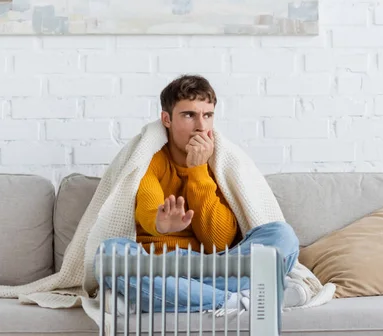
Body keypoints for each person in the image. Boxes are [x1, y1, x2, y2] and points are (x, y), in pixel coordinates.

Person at [96, 74, 299, 314]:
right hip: (158, 265)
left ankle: (155, 296)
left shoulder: (221, 164)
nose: (201, 126)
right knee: (110, 253)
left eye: (208, 115)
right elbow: (148, 206)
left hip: (214, 265)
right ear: (166, 119)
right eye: (189, 115)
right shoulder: (149, 159)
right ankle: (236, 300)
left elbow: (219, 242)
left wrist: (198, 171)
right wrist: (160, 224)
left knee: (281, 235)